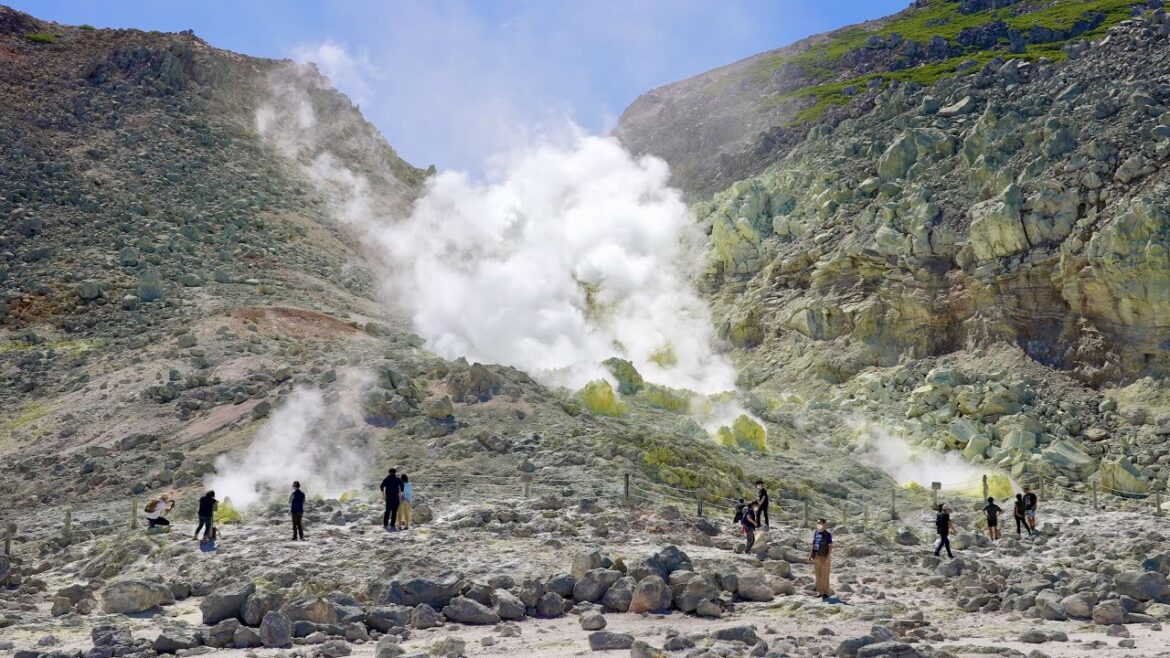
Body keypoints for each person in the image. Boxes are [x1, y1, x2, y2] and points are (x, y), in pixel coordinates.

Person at [811, 518, 833, 600]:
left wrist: (828, 556)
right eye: (817, 523)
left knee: (825, 575)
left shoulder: (827, 534)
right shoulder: (816, 533)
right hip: (817, 556)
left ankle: (826, 592)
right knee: (818, 575)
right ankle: (820, 591)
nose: (818, 525)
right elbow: (814, 544)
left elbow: (830, 546)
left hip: (824, 557)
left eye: (820, 523)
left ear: (824, 525)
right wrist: (811, 554)